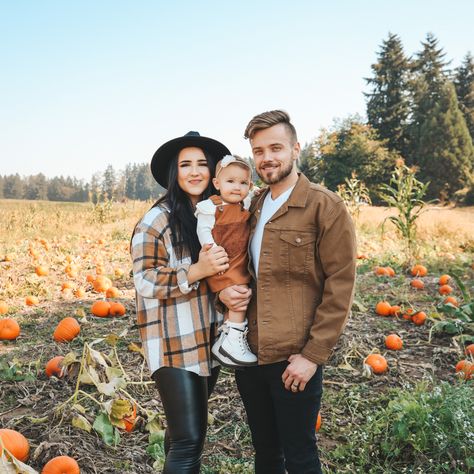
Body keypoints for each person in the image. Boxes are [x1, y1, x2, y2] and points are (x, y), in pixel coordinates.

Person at [219, 110, 357, 473]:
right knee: (265, 453)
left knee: (299, 456)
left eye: (276, 147)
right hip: (251, 354)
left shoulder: (324, 206)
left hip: (293, 358)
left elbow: (340, 286)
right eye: (259, 150)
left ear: (296, 148)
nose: (267, 158)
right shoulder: (252, 206)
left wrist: (312, 356)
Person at [130, 131, 231, 473]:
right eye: (185, 164)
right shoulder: (156, 220)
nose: (195, 171)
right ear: (175, 172)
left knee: (180, 433)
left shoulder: (211, 216)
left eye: (202, 164)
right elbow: (144, 279)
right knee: (189, 443)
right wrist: (196, 269)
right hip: (173, 340)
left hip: (206, 335)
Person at [194, 154, 257, 367]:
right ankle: (234, 339)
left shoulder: (245, 203)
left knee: (241, 290)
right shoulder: (211, 206)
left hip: (239, 258)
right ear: (217, 183)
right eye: (230, 181)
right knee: (239, 293)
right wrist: (211, 247)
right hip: (222, 260)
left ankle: (228, 336)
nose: (237, 187)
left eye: (243, 183)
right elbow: (203, 229)